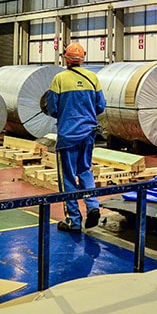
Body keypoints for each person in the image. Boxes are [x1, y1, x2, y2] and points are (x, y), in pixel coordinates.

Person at [46, 42, 106, 232]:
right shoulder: (93, 78)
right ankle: (93, 206)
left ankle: (73, 220)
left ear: (66, 58)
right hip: (88, 133)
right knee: (85, 170)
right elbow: (101, 106)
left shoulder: (59, 79)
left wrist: (67, 115)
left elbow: (52, 108)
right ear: (83, 58)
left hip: (68, 135)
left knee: (68, 178)